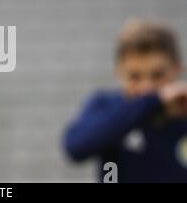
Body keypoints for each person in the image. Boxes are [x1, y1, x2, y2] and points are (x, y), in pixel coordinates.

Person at [64, 18, 187, 182]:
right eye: (134, 77)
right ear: (119, 72)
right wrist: (154, 100)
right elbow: (76, 147)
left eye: (158, 75)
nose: (146, 87)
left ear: (177, 68)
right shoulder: (107, 106)